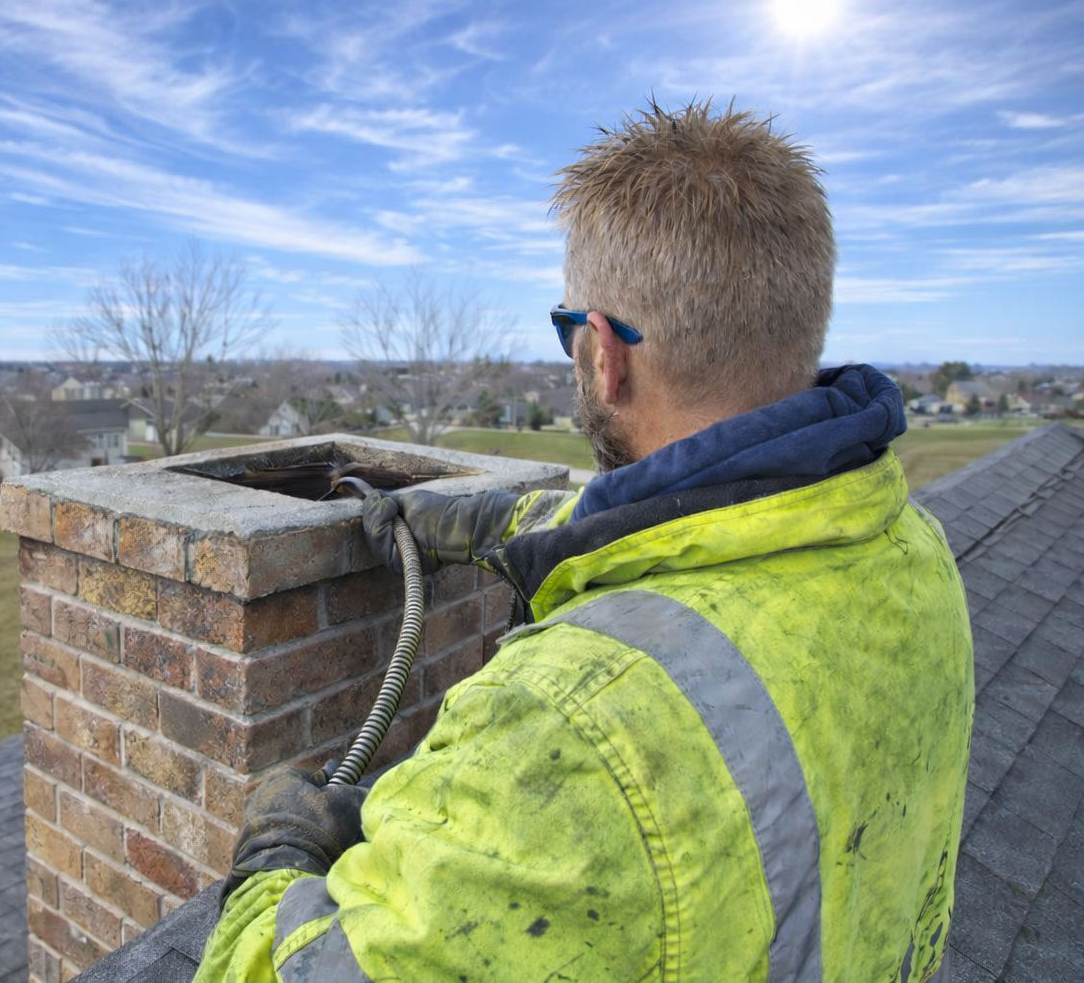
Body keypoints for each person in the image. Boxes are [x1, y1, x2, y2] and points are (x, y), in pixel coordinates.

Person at [195, 100, 972, 983]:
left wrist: (277, 859)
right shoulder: (911, 550)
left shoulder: (569, 726)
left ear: (604, 353)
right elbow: (690, 534)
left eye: (570, 328)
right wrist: (474, 526)